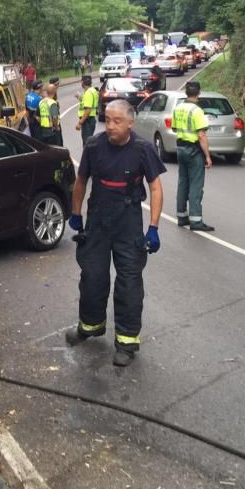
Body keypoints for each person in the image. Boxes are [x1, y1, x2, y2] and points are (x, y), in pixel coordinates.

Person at [66, 100, 165, 367]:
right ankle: (90, 325)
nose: (110, 125)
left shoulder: (143, 149)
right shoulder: (94, 146)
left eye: (117, 120)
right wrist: (76, 213)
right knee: (92, 277)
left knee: (129, 284)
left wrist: (153, 228)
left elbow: (155, 189)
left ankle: (127, 342)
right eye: (107, 119)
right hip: (97, 220)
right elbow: (81, 180)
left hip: (128, 222)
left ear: (130, 123)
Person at [172, 80, 214, 231]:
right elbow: (201, 135)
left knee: (183, 183)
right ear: (199, 93)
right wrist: (208, 156)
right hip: (193, 151)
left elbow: (175, 128)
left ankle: (182, 217)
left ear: (186, 92)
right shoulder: (197, 111)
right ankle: (196, 221)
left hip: (181, 149)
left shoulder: (178, 108)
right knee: (196, 185)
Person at [75, 74, 99, 143]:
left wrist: (80, 122)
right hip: (90, 120)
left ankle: (87, 154)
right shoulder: (92, 90)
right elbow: (88, 102)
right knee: (88, 142)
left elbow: (88, 110)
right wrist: (80, 98)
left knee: (86, 143)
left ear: (82, 82)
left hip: (87, 121)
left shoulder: (88, 93)